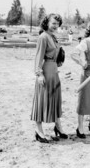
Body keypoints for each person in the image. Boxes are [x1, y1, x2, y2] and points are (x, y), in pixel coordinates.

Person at [31, 13, 68, 143]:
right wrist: (39, 74)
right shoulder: (43, 37)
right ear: (47, 22)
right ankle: (39, 131)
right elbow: (38, 57)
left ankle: (58, 127)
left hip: (54, 71)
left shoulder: (53, 37)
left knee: (55, 99)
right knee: (42, 100)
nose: (55, 26)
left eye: (57, 24)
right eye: (53, 23)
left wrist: (59, 60)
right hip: (45, 71)